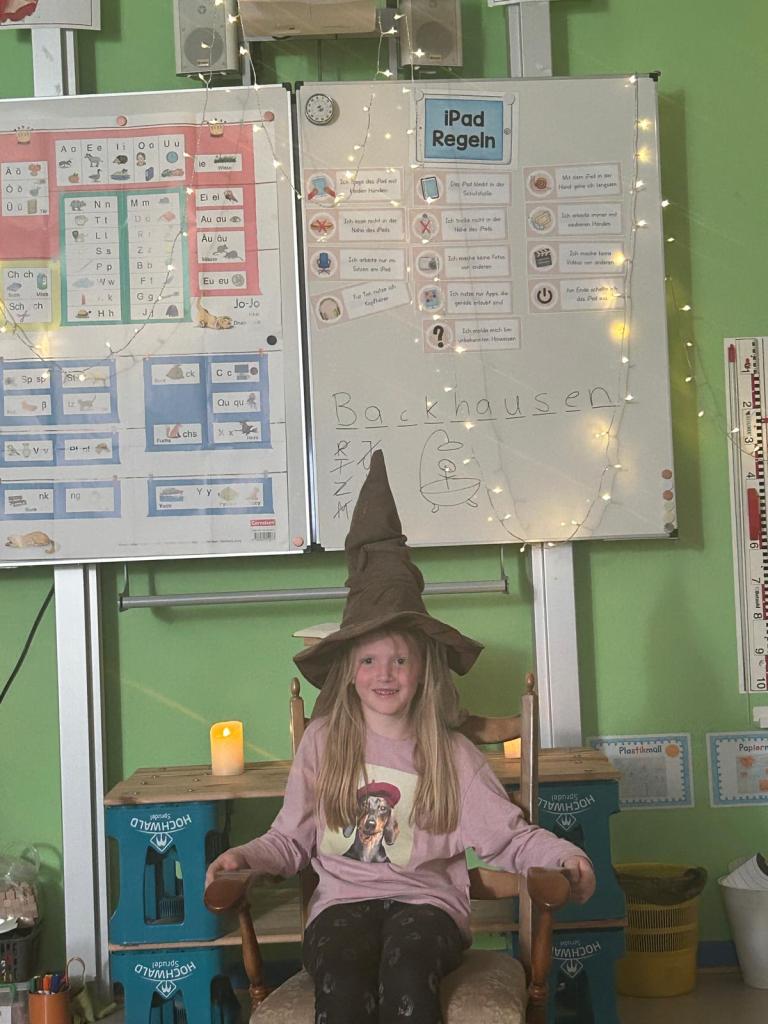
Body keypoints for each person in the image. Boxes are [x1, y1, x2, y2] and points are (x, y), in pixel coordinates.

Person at [206, 450, 595, 1024]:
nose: (384, 674)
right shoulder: (324, 744)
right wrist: (244, 855)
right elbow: (289, 841)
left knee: (406, 968)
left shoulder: (451, 754)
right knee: (343, 971)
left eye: (400, 660)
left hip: (428, 906)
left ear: (424, 670)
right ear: (348, 670)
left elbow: (508, 838)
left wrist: (562, 854)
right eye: (368, 660)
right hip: (341, 905)